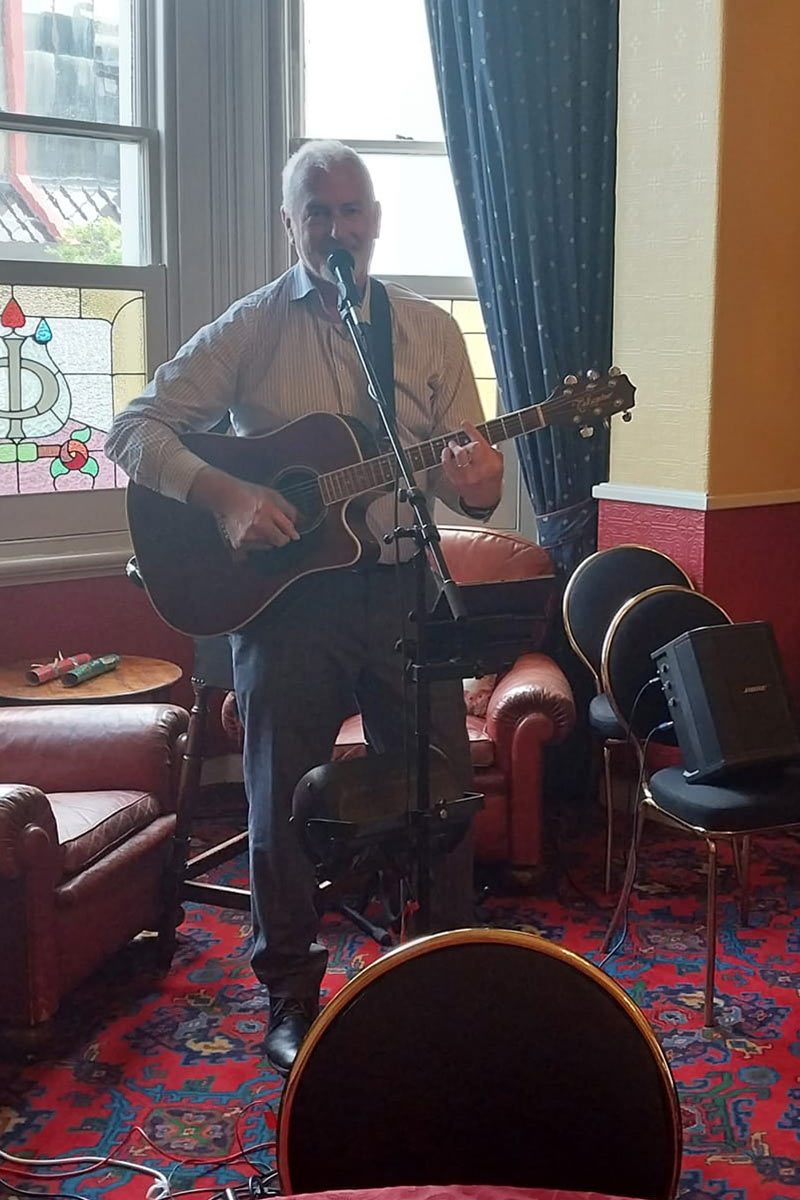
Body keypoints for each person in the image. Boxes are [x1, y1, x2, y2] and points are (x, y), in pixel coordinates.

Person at [106, 140, 504, 1075]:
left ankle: (441, 966)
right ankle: (289, 990)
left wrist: (481, 483)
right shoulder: (251, 329)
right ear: (290, 225)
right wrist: (226, 497)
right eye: (316, 211)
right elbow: (133, 429)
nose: (336, 227)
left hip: (403, 586)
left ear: (375, 220)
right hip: (286, 604)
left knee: (441, 786)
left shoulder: (427, 332)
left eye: (350, 209)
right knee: (279, 795)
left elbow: (474, 486)